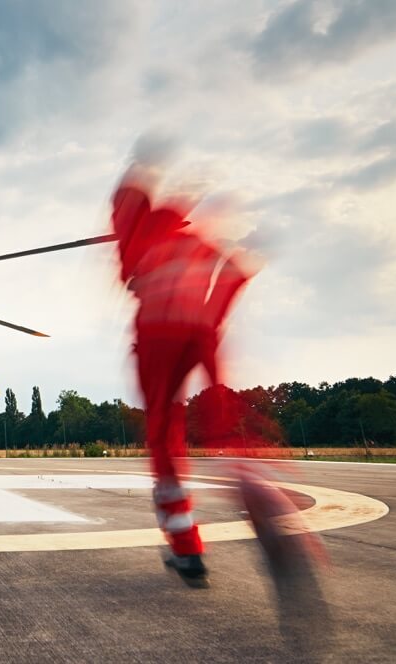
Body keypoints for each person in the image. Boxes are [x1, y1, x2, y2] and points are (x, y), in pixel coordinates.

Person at [110, 165, 253, 587]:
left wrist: (136, 178)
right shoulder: (192, 237)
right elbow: (232, 272)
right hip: (203, 327)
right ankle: (251, 468)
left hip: (158, 332)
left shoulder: (141, 234)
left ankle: (187, 548)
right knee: (222, 417)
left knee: (164, 436)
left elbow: (126, 208)